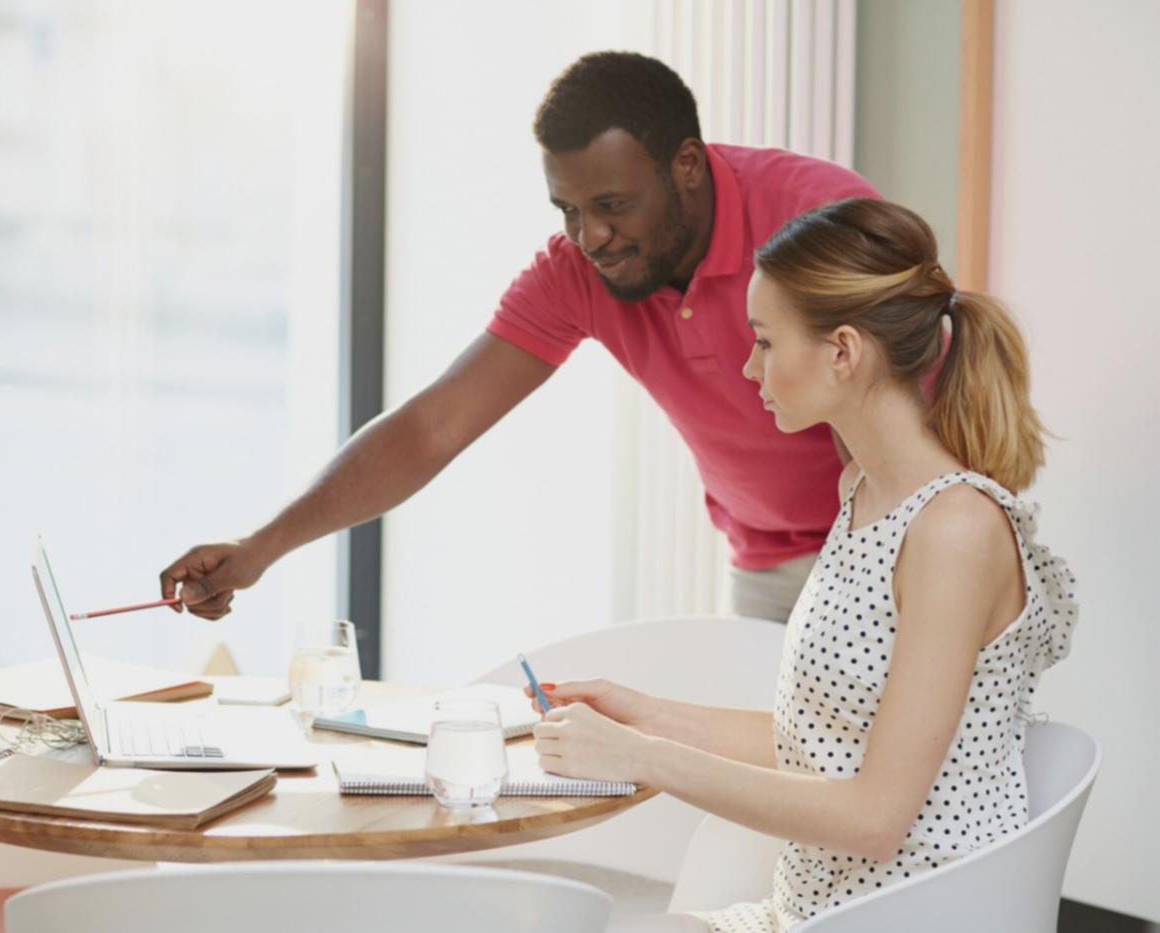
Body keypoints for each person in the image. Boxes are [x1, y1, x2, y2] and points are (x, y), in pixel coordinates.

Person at [159, 51, 879, 624]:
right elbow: (431, 427)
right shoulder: (577, 269)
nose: (590, 235)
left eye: (612, 205)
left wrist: (876, 575)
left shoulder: (818, 215)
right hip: (759, 563)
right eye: (567, 208)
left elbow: (903, 408)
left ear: (685, 166)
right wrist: (261, 546)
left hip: (881, 546)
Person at [527, 198, 1078, 931]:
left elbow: (875, 816)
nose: (748, 364)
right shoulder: (862, 490)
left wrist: (642, 756)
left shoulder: (955, 530)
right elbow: (825, 741)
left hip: (908, 916)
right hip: (809, 911)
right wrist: (645, 714)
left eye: (762, 340)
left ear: (842, 351)